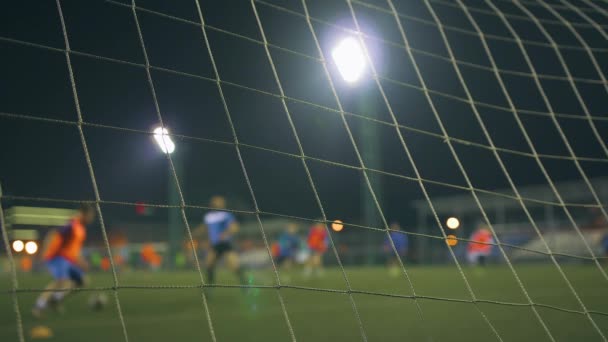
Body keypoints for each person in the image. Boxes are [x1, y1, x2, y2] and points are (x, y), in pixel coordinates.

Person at [33, 203, 96, 317]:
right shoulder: (72, 225)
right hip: (57, 257)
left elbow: (73, 249)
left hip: (68, 260)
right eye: (90, 215)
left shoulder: (81, 229)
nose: (91, 218)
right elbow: (53, 234)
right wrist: (45, 251)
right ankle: (39, 306)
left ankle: (55, 300)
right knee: (61, 281)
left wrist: (81, 261)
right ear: (83, 213)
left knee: (82, 281)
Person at [200, 196, 246, 285]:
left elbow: (235, 227)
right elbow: (205, 229)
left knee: (234, 265)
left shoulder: (226, 215)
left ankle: (245, 284)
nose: (217, 203)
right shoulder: (208, 216)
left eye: (219, 202)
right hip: (215, 244)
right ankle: (209, 286)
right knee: (209, 265)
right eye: (215, 201)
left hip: (225, 243)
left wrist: (226, 233)